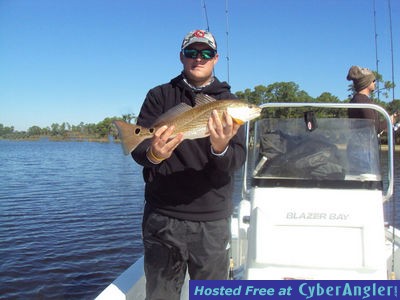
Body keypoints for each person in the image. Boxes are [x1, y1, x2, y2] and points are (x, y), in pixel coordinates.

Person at [131, 29, 246, 300]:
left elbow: (236, 160)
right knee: (161, 295)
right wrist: (154, 154)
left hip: (212, 221)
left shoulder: (230, 104)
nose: (199, 58)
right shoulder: (159, 96)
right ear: (182, 57)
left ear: (216, 58)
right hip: (163, 216)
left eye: (206, 52)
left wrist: (221, 149)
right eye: (192, 52)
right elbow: (138, 148)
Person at [346, 65, 397, 132]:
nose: (375, 83)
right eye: (373, 81)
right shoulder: (364, 102)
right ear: (366, 83)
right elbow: (374, 128)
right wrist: (389, 120)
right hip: (365, 142)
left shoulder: (356, 100)